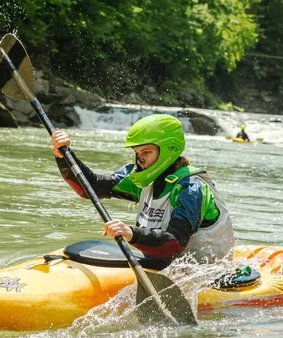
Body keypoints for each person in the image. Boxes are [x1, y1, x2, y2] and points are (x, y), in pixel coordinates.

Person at [50, 114, 235, 267]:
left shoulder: (191, 188)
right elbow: (90, 188)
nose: (140, 159)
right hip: (164, 264)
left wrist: (131, 233)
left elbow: (174, 244)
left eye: (146, 152)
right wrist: (64, 155)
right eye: (138, 153)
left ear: (168, 150)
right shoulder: (142, 178)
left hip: (206, 272)